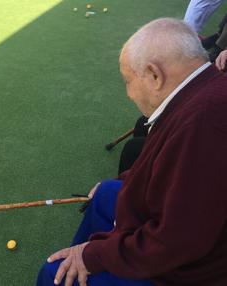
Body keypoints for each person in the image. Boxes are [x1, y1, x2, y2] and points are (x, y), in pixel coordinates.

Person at [37, 18, 227, 286]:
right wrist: (128, 179)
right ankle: (75, 261)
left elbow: (177, 241)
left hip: (188, 272)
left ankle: (73, 268)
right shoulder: (202, 89)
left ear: (154, 75)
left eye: (128, 81)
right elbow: (164, 164)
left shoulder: (205, 123)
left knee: (51, 274)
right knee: (106, 193)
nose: (128, 93)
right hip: (180, 239)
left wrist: (95, 256)